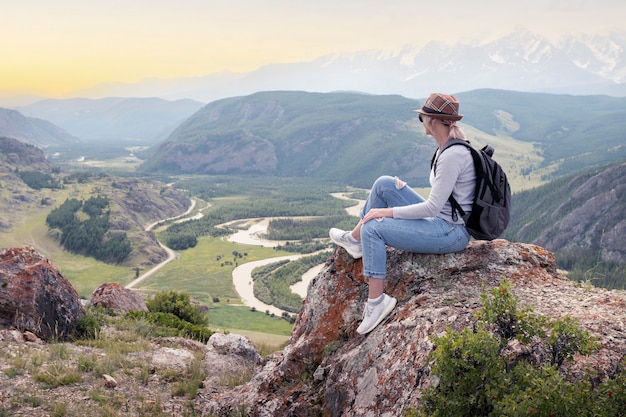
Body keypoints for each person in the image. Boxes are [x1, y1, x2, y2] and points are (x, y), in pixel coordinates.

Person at [329, 92, 476, 335]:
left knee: (374, 227)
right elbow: (442, 200)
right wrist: (397, 195)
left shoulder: (452, 155)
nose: (422, 123)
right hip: (442, 219)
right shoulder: (447, 147)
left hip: (450, 232)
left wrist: (386, 211)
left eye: (423, 118)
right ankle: (355, 241)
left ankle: (377, 303)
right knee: (385, 184)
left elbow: (431, 208)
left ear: (432, 121)